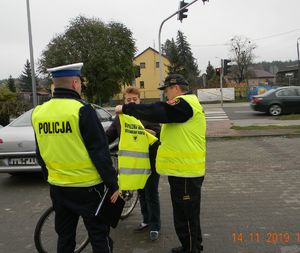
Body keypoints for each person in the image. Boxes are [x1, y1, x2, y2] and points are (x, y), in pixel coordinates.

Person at [32, 62, 119, 253]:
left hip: (59, 188)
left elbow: (40, 153)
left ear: (55, 85)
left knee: (65, 238)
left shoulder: (39, 112)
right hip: (88, 188)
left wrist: (50, 177)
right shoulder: (82, 110)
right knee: (99, 236)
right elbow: (100, 152)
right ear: (74, 84)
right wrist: (113, 184)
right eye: (80, 82)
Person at [115, 74, 206, 253]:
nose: (165, 94)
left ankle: (191, 249)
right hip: (183, 171)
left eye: (166, 90)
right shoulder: (187, 106)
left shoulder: (184, 103)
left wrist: (128, 108)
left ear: (176, 88)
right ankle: (192, 245)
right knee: (188, 215)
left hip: (185, 173)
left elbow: (159, 111)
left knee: (185, 216)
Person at [106, 87, 161, 241]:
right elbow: (109, 135)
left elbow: (159, 132)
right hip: (134, 164)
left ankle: (155, 225)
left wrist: (151, 132)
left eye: (134, 100)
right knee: (142, 193)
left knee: (151, 193)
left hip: (150, 162)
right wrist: (97, 144)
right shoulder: (120, 118)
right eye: (128, 100)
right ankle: (146, 220)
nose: (131, 102)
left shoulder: (148, 114)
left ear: (139, 100)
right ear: (124, 101)